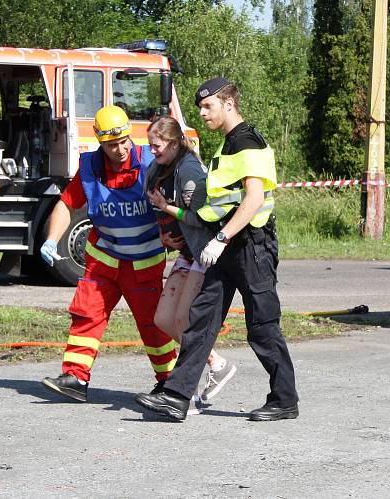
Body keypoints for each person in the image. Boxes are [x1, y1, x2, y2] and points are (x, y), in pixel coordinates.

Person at [135, 77, 299, 421]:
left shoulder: (247, 142)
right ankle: (177, 397)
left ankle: (284, 399)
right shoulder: (226, 145)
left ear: (229, 104)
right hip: (225, 246)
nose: (202, 113)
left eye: (208, 106)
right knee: (200, 321)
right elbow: (222, 202)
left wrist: (221, 238)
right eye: (200, 107)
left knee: (262, 327)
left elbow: (254, 198)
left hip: (251, 246)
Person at [41, 105, 177, 402]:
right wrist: (52, 239)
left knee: (153, 324)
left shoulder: (150, 164)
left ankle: (169, 382)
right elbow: (66, 204)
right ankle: (75, 378)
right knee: (86, 315)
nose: (120, 149)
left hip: (144, 262)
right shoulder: (90, 168)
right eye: (112, 145)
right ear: (101, 143)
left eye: (124, 141)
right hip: (103, 259)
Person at [145, 116, 237, 408]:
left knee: (186, 321)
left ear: (173, 143)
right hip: (184, 252)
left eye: (157, 146)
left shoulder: (189, 172)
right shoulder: (158, 167)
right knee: (162, 319)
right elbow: (157, 210)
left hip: (202, 252)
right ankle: (216, 363)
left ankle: (196, 382)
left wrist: (167, 208)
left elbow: (200, 218)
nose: (153, 151)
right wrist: (163, 235)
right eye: (150, 146)